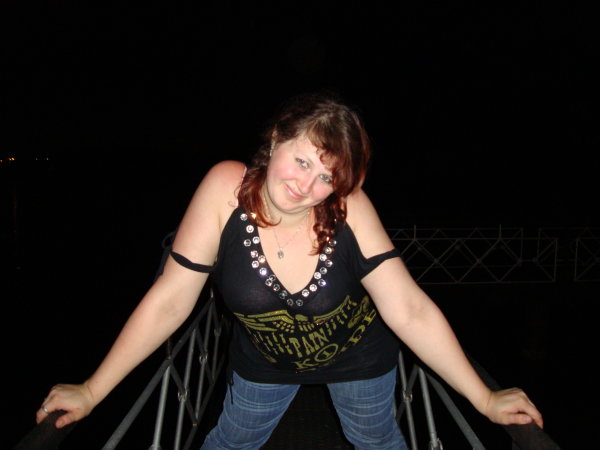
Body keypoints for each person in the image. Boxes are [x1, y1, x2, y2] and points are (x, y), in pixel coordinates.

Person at [36, 91, 543, 449]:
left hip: (360, 360)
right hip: (264, 365)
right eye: (303, 162)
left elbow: (408, 309)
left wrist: (485, 399)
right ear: (278, 137)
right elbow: (171, 299)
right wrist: (93, 390)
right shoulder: (225, 190)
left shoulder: (349, 208)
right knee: (229, 443)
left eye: (327, 177)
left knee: (377, 442)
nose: (307, 187)